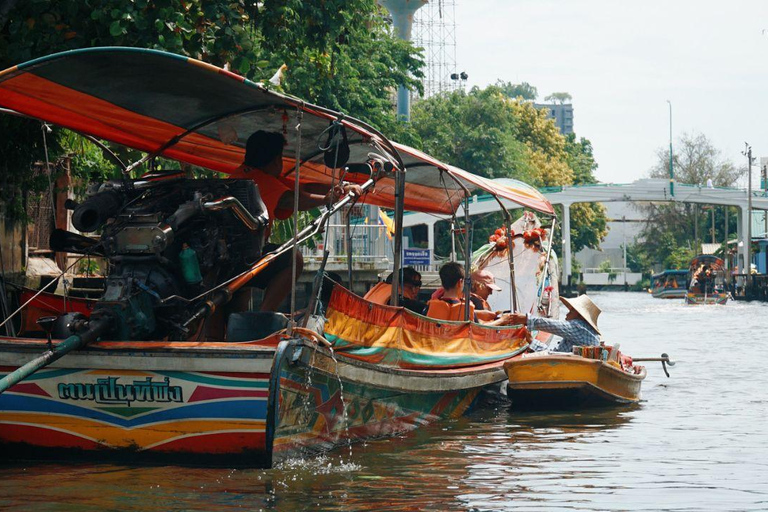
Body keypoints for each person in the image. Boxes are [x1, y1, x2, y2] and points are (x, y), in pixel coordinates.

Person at [230, 130, 362, 311]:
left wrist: (343, 187)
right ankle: (263, 315)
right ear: (277, 160)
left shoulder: (243, 174)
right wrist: (325, 200)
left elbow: (305, 187)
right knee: (293, 259)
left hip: (234, 255)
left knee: (238, 299)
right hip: (244, 256)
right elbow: (293, 199)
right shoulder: (260, 180)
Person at [426, 262, 511, 326]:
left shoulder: (430, 306)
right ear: (460, 282)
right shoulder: (467, 309)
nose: (491, 292)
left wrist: (480, 314)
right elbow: (480, 329)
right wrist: (502, 320)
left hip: (436, 348)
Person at [509, 295, 601, 353]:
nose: (567, 314)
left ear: (580, 316)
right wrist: (533, 342)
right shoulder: (580, 333)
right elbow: (555, 354)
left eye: (571, 311)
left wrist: (526, 319)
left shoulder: (580, 327)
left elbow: (554, 326)